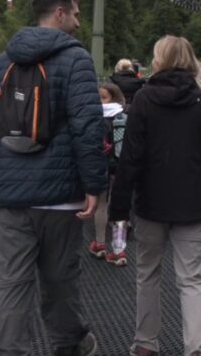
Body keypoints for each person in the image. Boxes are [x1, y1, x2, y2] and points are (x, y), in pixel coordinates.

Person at [0, 0, 107, 356]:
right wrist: (94, 184)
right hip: (59, 198)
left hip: (11, 198)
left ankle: (8, 351)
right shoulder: (76, 60)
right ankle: (69, 345)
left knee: (12, 281)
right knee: (60, 279)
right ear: (60, 14)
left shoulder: (4, 62)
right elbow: (87, 127)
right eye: (77, 14)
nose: (80, 23)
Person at [109, 35, 201, 356]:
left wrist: (119, 211)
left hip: (150, 203)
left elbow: (130, 159)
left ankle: (145, 344)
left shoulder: (144, 100)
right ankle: (196, 349)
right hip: (191, 203)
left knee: (147, 274)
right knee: (191, 279)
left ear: (159, 61)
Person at [87, 81, 128, 266]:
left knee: (101, 205)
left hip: (100, 165)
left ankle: (100, 244)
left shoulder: (94, 117)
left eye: (102, 97)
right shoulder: (123, 116)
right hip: (120, 167)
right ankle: (119, 250)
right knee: (120, 209)